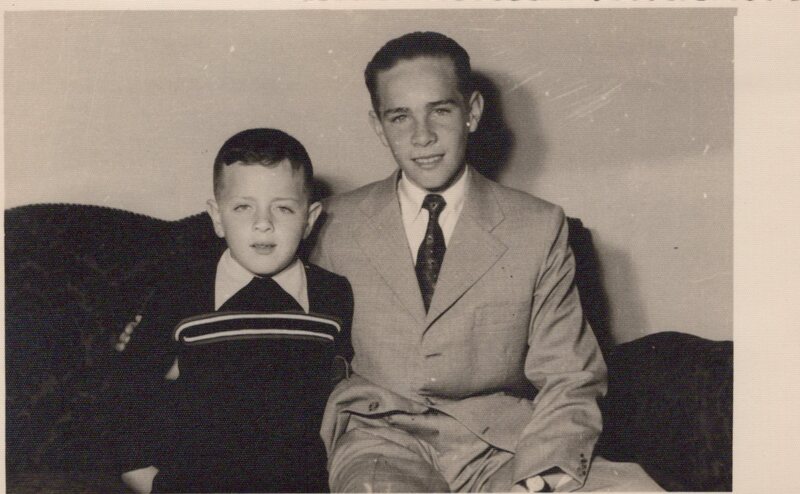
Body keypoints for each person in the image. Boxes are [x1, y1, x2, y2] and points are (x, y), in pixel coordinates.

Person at [309, 32, 663, 492]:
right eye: (400, 117)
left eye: (440, 110)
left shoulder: (537, 226)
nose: (422, 136)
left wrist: (540, 480)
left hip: (502, 445)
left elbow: (569, 376)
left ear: (472, 112)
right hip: (381, 442)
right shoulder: (333, 225)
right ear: (379, 126)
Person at [114, 128, 353, 493]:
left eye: (283, 208)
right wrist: (140, 473)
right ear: (217, 216)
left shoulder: (333, 295)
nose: (263, 223)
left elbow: (347, 391)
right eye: (243, 207)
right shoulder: (179, 294)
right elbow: (128, 388)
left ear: (309, 218)